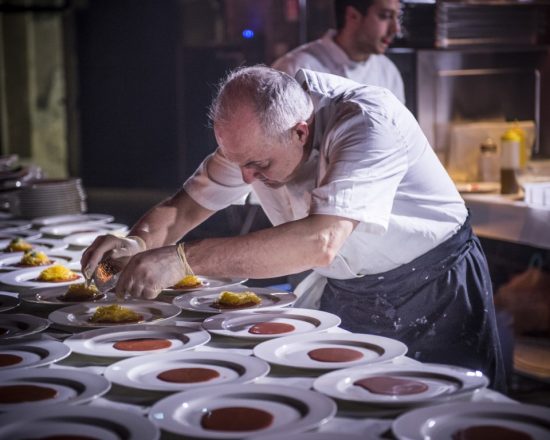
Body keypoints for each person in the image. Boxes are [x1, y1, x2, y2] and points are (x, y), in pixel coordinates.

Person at [82, 66, 505, 391]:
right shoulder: (257, 134)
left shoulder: (366, 123)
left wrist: (181, 260)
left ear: (300, 132)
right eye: (239, 163)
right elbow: (185, 207)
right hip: (350, 291)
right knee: (353, 410)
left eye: (258, 165)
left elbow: (320, 241)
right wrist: (136, 241)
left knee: (449, 412)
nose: (246, 179)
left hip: (436, 286)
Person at [272, 0, 405, 104]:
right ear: (353, 16)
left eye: (397, 17)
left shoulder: (388, 72)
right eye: (385, 16)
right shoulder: (295, 68)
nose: (396, 29)